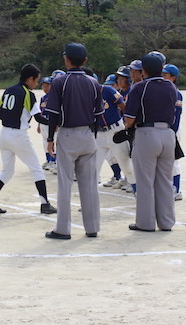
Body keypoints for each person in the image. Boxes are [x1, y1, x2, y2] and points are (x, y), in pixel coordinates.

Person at [44, 43, 103, 240]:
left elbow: (52, 113)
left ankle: (63, 229)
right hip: (88, 135)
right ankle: (92, 227)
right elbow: (97, 115)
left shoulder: (60, 82)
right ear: (85, 61)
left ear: (66, 59)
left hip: (67, 134)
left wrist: (50, 138)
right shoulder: (94, 83)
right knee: (89, 184)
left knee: (65, 184)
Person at [0, 64, 57, 215]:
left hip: (4, 135)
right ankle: (45, 204)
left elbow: (0, 114)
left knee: (7, 171)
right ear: (30, 79)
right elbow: (38, 117)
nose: (36, 84)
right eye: (36, 80)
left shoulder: (8, 90)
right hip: (19, 135)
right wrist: (56, 122)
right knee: (36, 169)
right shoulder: (28, 94)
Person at [123, 53, 178, 232]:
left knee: (145, 181)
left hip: (147, 133)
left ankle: (145, 223)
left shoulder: (140, 87)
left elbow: (130, 119)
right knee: (165, 180)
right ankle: (166, 222)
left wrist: (127, 127)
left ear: (144, 70)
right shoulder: (170, 86)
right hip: (168, 134)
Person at [95, 74, 136, 195]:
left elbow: (123, 107)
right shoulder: (84, 96)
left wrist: (129, 124)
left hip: (115, 131)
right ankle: (88, 202)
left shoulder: (107, 90)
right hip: (99, 135)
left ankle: (138, 193)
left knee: (127, 167)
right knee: (93, 170)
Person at [162, 64, 184, 201]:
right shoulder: (163, 90)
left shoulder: (176, 93)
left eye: (165, 75)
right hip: (164, 129)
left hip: (172, 129)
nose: (163, 77)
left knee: (173, 160)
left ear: (173, 77)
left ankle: (176, 189)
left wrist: (172, 132)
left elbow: (177, 115)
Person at [37, 76, 56, 174]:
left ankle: (54, 161)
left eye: (47, 86)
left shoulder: (54, 97)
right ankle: (48, 160)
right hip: (43, 121)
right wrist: (38, 125)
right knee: (45, 141)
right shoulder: (43, 98)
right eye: (43, 86)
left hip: (51, 121)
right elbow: (40, 112)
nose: (45, 88)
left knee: (53, 142)